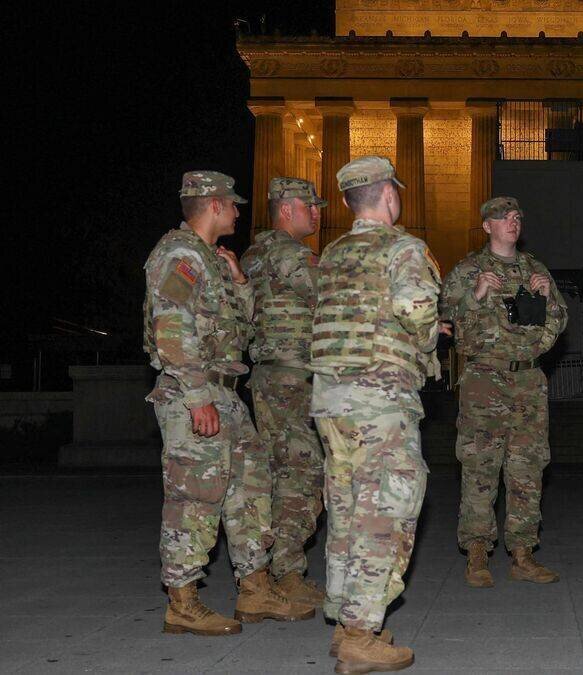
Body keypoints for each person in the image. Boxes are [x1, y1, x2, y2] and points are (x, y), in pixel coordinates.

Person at [144, 171, 313, 637]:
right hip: (192, 392)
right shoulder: (179, 255)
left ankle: (255, 588)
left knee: (250, 488)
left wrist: (239, 283)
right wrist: (198, 396)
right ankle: (182, 600)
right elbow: (171, 327)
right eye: (233, 204)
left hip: (227, 391)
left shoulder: (212, 260)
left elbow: (242, 327)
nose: (239, 212)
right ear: (213, 204)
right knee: (195, 497)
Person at [309, 156, 441, 673]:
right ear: (390, 195)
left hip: (331, 399)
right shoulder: (403, 247)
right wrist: (429, 339)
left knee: (345, 509)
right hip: (380, 398)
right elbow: (415, 310)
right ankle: (364, 633)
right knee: (386, 508)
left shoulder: (333, 253)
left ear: (345, 201)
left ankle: (346, 624)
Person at [439, 196, 568, 588]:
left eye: (516, 217)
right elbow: (445, 323)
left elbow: (558, 323)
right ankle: (477, 552)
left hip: (528, 380)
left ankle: (523, 552)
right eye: (503, 218)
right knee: (480, 466)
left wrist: (547, 302)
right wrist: (474, 297)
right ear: (487, 227)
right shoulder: (467, 270)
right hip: (484, 379)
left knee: (528, 467)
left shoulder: (534, 270)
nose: (512, 223)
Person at [240, 177, 327, 609]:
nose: (317, 213)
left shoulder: (252, 254)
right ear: (287, 209)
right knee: (304, 473)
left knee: (278, 473)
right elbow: (329, 298)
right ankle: (286, 571)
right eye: (311, 206)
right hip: (294, 380)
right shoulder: (291, 254)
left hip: (267, 378)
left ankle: (279, 569)